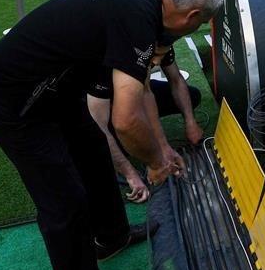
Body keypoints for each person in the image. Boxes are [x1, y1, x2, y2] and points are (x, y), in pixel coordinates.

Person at [0, 0, 223, 270]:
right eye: (198, 25)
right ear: (192, 16)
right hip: (11, 102)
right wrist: (154, 161)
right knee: (64, 198)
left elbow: (138, 99)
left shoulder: (142, 6)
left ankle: (112, 235)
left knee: (92, 151)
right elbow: (125, 120)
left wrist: (159, 150)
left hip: (55, 91)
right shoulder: (139, 21)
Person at [87, 57, 204, 203]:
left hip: (132, 88)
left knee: (192, 96)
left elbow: (147, 92)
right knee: (108, 151)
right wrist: (131, 174)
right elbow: (111, 124)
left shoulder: (152, 44)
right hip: (99, 102)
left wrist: (188, 124)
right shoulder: (104, 65)